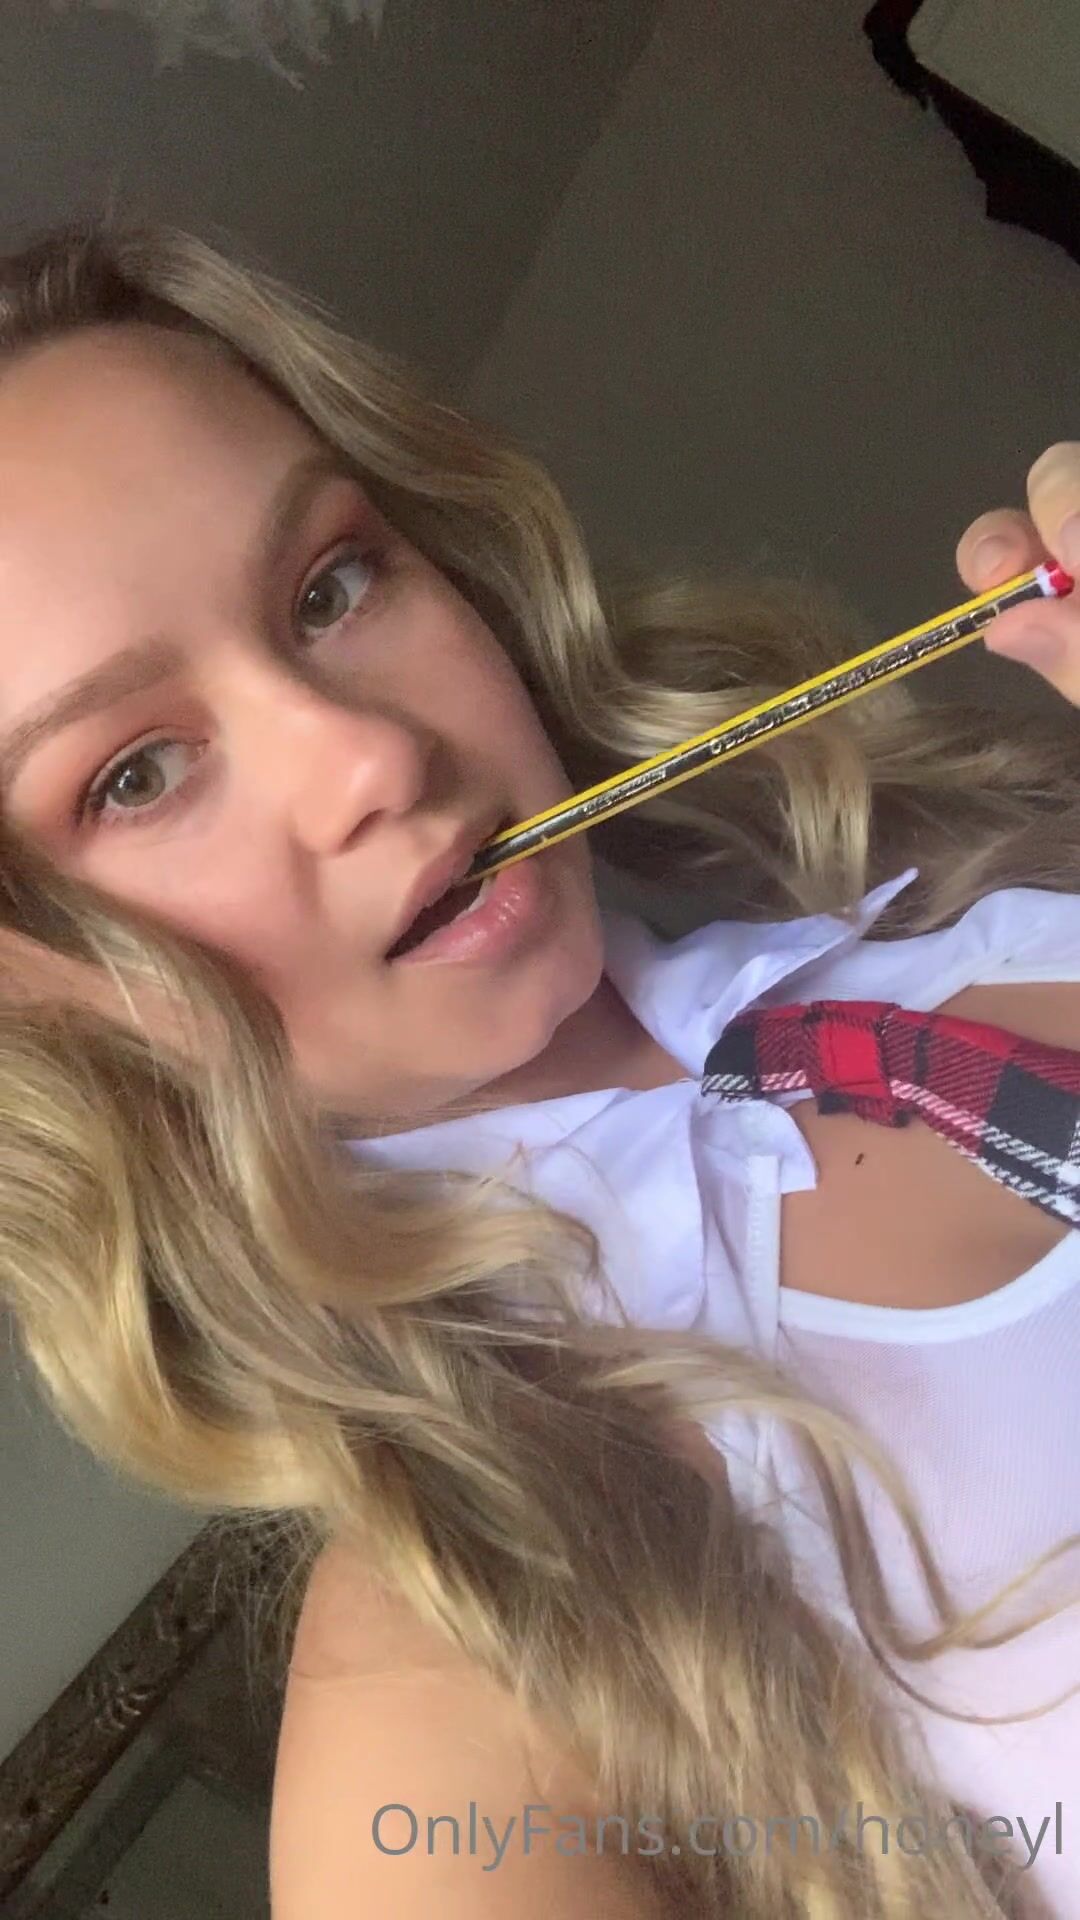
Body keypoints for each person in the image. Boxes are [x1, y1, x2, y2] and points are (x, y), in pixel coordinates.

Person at [0, 221, 1077, 1920]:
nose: (367, 756)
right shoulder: (462, 1669)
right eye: (134, 774)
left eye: (330, 588)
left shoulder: (947, 884)